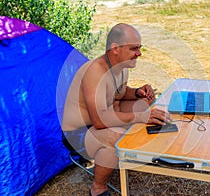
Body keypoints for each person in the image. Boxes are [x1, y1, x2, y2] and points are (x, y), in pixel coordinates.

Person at [62, 23, 171, 196]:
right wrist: (141, 117)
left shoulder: (122, 66)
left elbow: (118, 93)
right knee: (118, 136)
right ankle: (98, 189)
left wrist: (137, 92)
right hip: (79, 133)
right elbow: (98, 121)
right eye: (134, 48)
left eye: (139, 48)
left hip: (103, 118)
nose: (139, 53)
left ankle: (125, 155)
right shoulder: (94, 71)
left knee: (143, 102)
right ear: (115, 49)